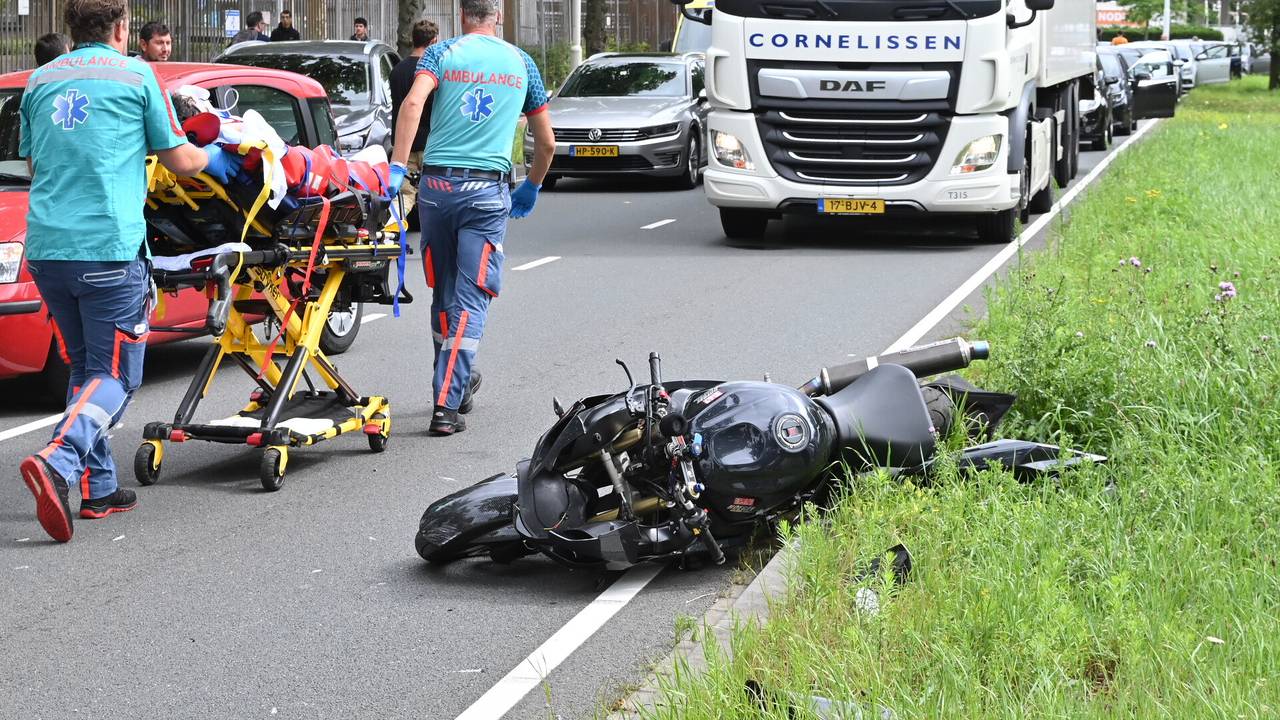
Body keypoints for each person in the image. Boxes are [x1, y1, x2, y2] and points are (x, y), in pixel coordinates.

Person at [18, 0, 241, 542]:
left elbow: (35, 164)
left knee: (86, 369)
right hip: (108, 250)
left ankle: (98, 489)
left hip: (46, 248)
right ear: (121, 29)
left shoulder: (39, 81)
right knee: (117, 376)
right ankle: (57, 460)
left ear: (72, 29)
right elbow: (180, 160)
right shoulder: (137, 76)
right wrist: (218, 157)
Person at [388, 0, 554, 436]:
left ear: (461, 16)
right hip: (485, 192)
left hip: (437, 189)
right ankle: (446, 405)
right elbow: (546, 142)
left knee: (444, 293)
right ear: (499, 15)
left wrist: (397, 166)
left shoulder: (441, 53)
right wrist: (533, 185)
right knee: (471, 299)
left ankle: (457, 385)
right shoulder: (522, 63)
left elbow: (412, 104)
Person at [389, 19, 439, 215]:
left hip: (404, 147)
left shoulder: (397, 71)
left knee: (403, 196)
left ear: (413, 39)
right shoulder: (434, 72)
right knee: (435, 198)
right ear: (434, 41)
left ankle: (392, 227)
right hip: (431, 145)